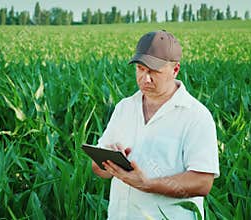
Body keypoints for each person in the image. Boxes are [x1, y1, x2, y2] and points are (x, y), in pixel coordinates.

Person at [91, 30, 220, 220]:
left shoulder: (196, 116)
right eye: (141, 69)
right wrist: (107, 161)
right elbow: (98, 169)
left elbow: (202, 182)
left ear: (175, 70)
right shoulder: (124, 107)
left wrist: (147, 184)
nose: (145, 79)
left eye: (154, 72)